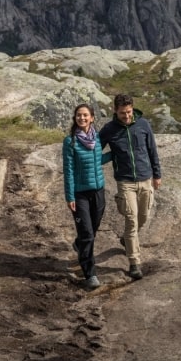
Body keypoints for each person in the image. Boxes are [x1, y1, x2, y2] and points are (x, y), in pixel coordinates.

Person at [98, 93, 162, 280]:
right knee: (132, 220)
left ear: (132, 109)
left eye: (129, 112)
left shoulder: (143, 125)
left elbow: (152, 150)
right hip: (125, 182)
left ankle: (126, 240)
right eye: (122, 113)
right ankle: (134, 262)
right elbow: (95, 150)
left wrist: (157, 174)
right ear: (115, 111)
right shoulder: (109, 129)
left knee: (143, 217)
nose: (126, 116)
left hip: (145, 179)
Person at [62, 103, 110, 290]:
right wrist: (70, 196)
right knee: (88, 234)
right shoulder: (70, 141)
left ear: (92, 118)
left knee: (93, 227)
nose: (81, 118)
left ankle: (79, 243)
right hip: (80, 194)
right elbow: (69, 170)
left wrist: (114, 155)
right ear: (75, 119)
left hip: (98, 190)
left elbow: (98, 160)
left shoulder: (97, 139)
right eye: (78, 115)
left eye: (85, 115)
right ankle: (90, 273)